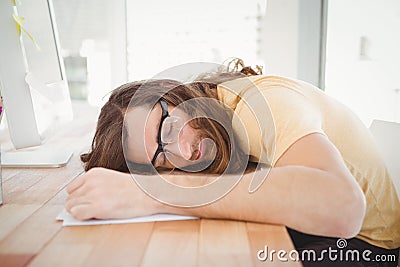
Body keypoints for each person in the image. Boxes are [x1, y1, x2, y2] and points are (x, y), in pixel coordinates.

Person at [66, 59, 399, 266]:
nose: (181, 153)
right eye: (160, 159)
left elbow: (344, 207)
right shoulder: (218, 124)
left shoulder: (259, 106)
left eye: (168, 127)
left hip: (369, 249)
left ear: (178, 94)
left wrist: (150, 194)